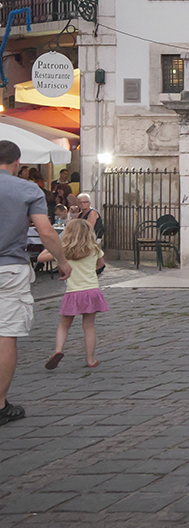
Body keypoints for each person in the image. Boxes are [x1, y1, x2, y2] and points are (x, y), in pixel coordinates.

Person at [0, 138, 71, 425]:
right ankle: (0, 405)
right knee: (6, 336)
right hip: (9, 269)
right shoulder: (28, 189)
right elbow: (46, 232)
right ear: (18, 163)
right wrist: (62, 262)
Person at [46, 216, 109, 371]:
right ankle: (90, 359)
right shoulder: (94, 249)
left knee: (63, 325)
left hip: (73, 292)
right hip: (91, 290)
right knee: (89, 326)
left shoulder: (64, 251)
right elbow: (101, 264)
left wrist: (53, 248)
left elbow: (41, 258)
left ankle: (58, 350)